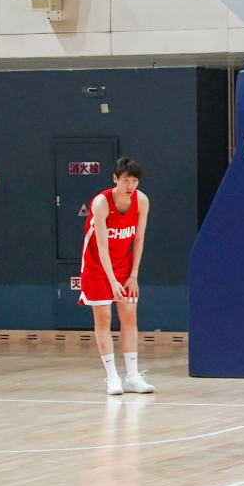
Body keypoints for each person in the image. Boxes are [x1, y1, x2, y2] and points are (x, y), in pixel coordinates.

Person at [79, 157, 153, 395]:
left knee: (129, 316)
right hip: (97, 266)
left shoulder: (141, 201)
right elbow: (101, 247)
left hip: (123, 265)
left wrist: (133, 275)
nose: (130, 186)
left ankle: (132, 377)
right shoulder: (101, 202)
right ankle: (112, 377)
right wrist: (112, 281)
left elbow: (138, 239)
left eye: (134, 181)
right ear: (115, 179)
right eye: (125, 181)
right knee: (103, 319)